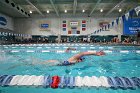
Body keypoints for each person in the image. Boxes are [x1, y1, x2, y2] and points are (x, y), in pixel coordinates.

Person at [40, 51, 105, 66]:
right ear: (80, 58)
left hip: (60, 64)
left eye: (82, 60)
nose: (81, 61)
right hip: (57, 63)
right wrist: (95, 53)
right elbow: (83, 53)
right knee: (41, 63)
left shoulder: (76, 61)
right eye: (81, 59)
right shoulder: (75, 58)